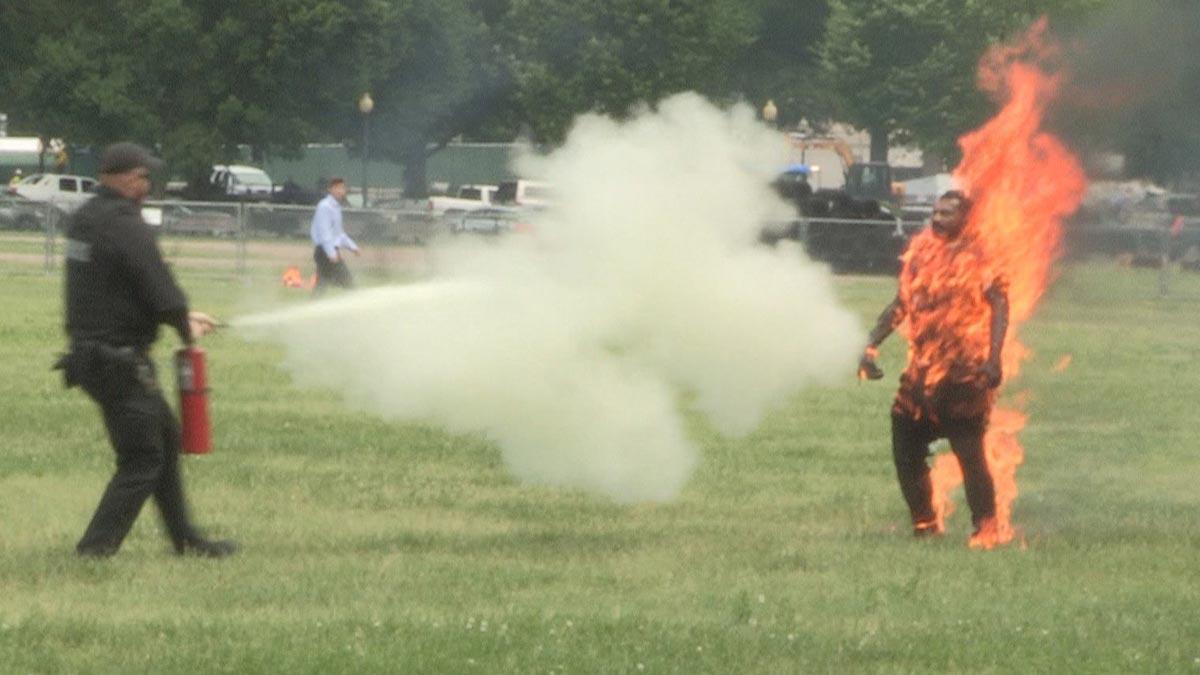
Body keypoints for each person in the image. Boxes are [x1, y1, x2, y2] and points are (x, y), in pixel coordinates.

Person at [55, 142, 237, 558]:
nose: (147, 185)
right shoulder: (125, 225)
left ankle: (186, 540)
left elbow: (117, 287)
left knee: (165, 438)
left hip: (91, 354)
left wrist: (180, 317)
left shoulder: (86, 220)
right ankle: (95, 549)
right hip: (116, 359)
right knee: (142, 457)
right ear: (121, 177)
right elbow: (158, 286)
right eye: (142, 177)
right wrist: (183, 322)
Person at [858, 190, 1009, 540]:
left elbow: (1000, 306)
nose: (937, 219)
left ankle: (986, 529)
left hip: (963, 372)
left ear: (965, 219)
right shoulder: (921, 253)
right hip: (922, 372)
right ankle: (924, 525)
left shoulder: (982, 255)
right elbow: (901, 304)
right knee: (905, 446)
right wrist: (870, 345)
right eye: (935, 211)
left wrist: (993, 359)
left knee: (970, 456)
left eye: (947, 214)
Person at [310, 177, 359, 295]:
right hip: (324, 252)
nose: (340, 191)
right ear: (330, 189)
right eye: (337, 188)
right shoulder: (325, 206)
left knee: (322, 284)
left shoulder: (336, 207)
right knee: (348, 283)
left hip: (329, 251)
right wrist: (331, 253)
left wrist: (352, 247)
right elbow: (324, 232)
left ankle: (313, 307)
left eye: (342, 188)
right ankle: (356, 305)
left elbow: (338, 234)